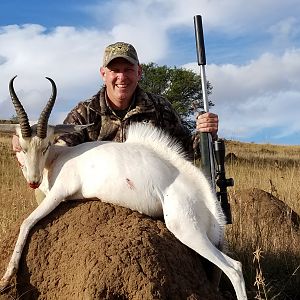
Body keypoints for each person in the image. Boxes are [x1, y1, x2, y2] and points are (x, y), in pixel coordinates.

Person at [13, 41, 218, 162]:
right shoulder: (84, 113)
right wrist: (26, 144)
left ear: (139, 72)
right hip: (101, 199)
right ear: (103, 74)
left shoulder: (160, 108)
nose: (122, 77)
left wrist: (205, 133)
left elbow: (188, 153)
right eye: (115, 70)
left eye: (128, 69)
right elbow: (58, 153)